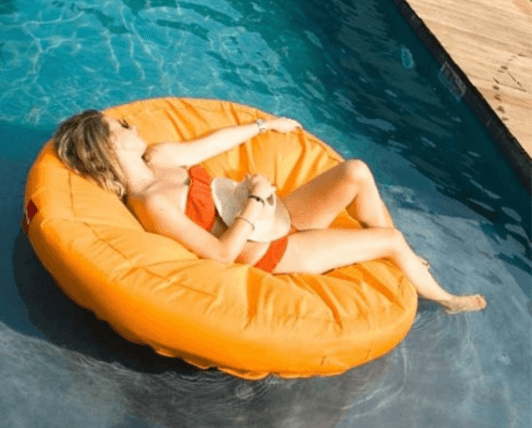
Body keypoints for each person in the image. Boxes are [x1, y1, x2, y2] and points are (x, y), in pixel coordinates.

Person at [54, 109, 487, 314]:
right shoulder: (153, 204)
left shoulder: (160, 157)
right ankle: (444, 298)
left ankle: (398, 259)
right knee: (392, 241)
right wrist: (257, 201)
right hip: (271, 251)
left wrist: (264, 126)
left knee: (356, 171)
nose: (133, 125)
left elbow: (214, 144)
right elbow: (220, 255)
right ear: (109, 146)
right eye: (122, 127)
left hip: (273, 213)